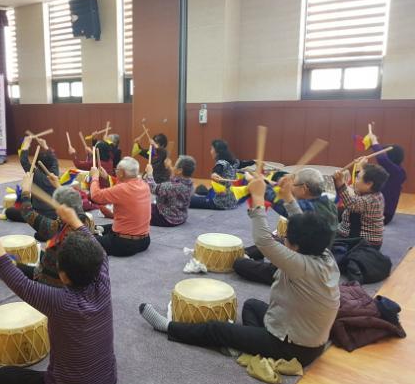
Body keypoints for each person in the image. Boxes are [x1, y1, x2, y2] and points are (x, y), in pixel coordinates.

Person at [139, 174, 340, 367]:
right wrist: (288, 197)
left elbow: (263, 240)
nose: (284, 240)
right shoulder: (322, 252)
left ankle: (168, 327)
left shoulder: (301, 265)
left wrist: (258, 197)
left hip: (294, 347)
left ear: (296, 247)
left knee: (217, 328)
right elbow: (303, 223)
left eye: (286, 239)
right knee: (251, 305)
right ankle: (246, 345)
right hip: (306, 336)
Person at [0, 206, 116, 384]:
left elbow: (20, 283)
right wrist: (75, 220)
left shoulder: (60, 301)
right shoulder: (103, 281)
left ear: (63, 275)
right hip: (108, 382)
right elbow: (100, 251)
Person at [0, 173, 92, 287]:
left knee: (11, 267)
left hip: (53, 281)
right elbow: (71, 203)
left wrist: (26, 191)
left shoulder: (56, 228)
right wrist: (57, 185)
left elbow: (27, 213)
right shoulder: (85, 222)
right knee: (39, 249)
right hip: (73, 274)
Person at [234, 168, 339, 284]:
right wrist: (269, 183)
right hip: (313, 253)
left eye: (294, 185)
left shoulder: (308, 208)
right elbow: (293, 207)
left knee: (240, 264)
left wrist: (256, 187)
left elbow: (264, 239)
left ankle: (246, 259)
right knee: (278, 240)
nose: (291, 187)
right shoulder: (328, 203)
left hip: (300, 262)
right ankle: (246, 254)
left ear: (304, 188)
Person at [90, 156, 151, 256]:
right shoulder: (144, 185)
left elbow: (95, 196)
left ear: (122, 173)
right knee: (101, 227)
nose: (115, 172)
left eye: (117, 170)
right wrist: (107, 177)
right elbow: (123, 186)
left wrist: (95, 177)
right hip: (144, 241)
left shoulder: (121, 189)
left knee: (85, 241)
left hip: (123, 244)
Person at [334, 161, 388, 249]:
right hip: (355, 235)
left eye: (358, 178)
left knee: (325, 241)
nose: (355, 180)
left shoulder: (372, 199)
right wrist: (360, 166)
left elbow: (351, 204)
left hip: (365, 243)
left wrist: (341, 184)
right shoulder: (368, 191)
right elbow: (352, 191)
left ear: (369, 184)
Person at [5, 136, 59, 222]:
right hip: (55, 214)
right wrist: (45, 146)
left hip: (37, 215)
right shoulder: (55, 173)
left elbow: (24, 161)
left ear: (36, 164)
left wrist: (26, 144)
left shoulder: (35, 174)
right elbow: (54, 159)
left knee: (9, 212)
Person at [190, 139, 254, 210]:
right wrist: (254, 162)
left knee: (188, 200)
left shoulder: (221, 163)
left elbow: (217, 170)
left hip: (218, 202)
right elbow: (244, 163)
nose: (211, 151)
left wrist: (214, 174)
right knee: (201, 189)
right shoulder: (233, 162)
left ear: (217, 151)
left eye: (212, 149)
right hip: (232, 201)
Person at [145, 155, 196, 227]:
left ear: (180, 170)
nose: (173, 167)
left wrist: (149, 173)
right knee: (147, 206)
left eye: (175, 166)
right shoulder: (190, 183)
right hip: (181, 216)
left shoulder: (173, 186)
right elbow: (176, 176)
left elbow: (153, 188)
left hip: (166, 218)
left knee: (140, 209)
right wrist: (169, 167)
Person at [367, 132, 406, 225]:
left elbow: (382, 158)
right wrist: (372, 144)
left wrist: (374, 142)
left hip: (383, 215)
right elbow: (382, 156)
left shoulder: (396, 172)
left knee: (343, 213)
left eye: (386, 154)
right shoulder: (396, 171)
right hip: (381, 213)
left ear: (391, 157)